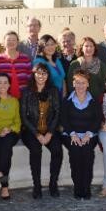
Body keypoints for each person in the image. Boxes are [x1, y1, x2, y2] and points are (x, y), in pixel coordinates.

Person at [20, 64, 63, 198]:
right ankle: (37, 185)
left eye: (44, 73)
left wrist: (50, 132)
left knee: (57, 150)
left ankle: (53, 183)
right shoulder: (26, 91)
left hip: (50, 129)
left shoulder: (53, 90)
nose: (41, 76)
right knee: (35, 150)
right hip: (31, 131)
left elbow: (57, 112)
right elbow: (23, 117)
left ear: (48, 76)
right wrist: (37, 134)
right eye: (38, 73)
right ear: (33, 74)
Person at [60, 70, 102, 200]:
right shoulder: (67, 101)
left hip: (89, 136)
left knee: (87, 155)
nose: (80, 85)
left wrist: (88, 135)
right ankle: (78, 187)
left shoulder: (94, 101)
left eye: (83, 83)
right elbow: (64, 120)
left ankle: (86, 187)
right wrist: (73, 134)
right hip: (70, 136)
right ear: (73, 83)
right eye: (77, 82)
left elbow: (97, 120)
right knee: (75, 154)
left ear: (88, 84)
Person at [0, 72, 22, 200]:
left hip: (11, 133)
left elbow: (18, 122)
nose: (3, 85)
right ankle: (4, 185)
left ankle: (1, 174)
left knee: (7, 143)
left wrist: (9, 129)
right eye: (0, 82)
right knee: (6, 148)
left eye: (5, 82)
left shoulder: (14, 101)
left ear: (9, 85)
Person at [0, 31, 32, 97]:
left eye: (13, 40)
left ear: (18, 42)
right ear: (4, 42)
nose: (11, 42)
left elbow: (30, 79)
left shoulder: (25, 59)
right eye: (8, 40)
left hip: (23, 97)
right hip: (5, 98)